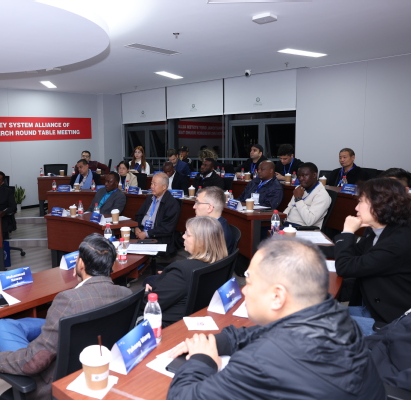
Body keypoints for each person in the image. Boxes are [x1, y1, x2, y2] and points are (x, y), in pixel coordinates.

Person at [167, 238, 385, 400]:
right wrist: (212, 342)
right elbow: (254, 334)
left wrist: (203, 359)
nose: (244, 290)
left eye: (249, 281)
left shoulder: (263, 361)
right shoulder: (334, 315)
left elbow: (181, 396)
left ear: (277, 296)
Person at [0, 234, 131, 399]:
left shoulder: (68, 301)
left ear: (81, 264)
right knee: (3, 325)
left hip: (55, 383)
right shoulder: (125, 293)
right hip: (98, 362)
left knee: (4, 331)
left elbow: (33, 362)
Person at [334, 178, 411, 335]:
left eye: (361, 201)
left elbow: (345, 267)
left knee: (313, 322)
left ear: (379, 205)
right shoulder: (379, 228)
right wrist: (310, 250)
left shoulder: (398, 242)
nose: (356, 207)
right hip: (369, 305)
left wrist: (347, 232)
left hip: (389, 322)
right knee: (315, 311)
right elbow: (354, 252)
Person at [142, 216, 228, 327]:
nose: (183, 236)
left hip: (169, 325)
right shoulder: (222, 262)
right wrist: (170, 277)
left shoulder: (181, 270)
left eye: (188, 234)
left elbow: (149, 306)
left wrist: (146, 294)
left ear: (201, 242)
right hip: (199, 315)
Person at [134, 173, 181, 254]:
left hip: (158, 238)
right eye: (151, 183)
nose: (151, 187)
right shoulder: (150, 198)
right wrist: (137, 227)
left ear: (164, 187)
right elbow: (139, 215)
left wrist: (146, 234)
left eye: (155, 184)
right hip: (142, 232)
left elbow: (166, 228)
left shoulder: (172, 203)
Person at [283, 162, 331, 228]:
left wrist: (298, 199)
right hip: (287, 224)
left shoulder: (322, 195)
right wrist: (281, 219)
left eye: (304, 175)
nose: (301, 179)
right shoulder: (299, 188)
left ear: (314, 175)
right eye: (299, 176)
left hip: (302, 228)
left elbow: (309, 221)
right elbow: (289, 207)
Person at [193, 187, 235, 253]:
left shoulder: (216, 234)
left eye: (197, 202)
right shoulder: (217, 225)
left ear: (209, 208)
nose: (194, 207)